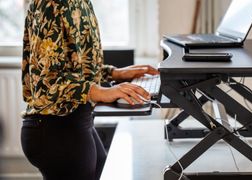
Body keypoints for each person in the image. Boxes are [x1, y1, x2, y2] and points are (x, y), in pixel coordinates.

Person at [21, 0, 159, 180]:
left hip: (76, 120)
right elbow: (45, 84)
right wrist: (101, 92)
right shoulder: (50, 3)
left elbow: (78, 68)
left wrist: (115, 73)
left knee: (101, 168)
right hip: (54, 127)